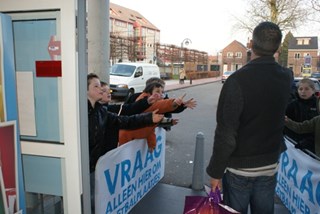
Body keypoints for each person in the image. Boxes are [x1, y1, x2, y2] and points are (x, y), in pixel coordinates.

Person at [206, 21, 293, 214]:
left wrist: (215, 172)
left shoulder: (237, 81)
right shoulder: (286, 76)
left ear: (251, 45)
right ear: (278, 48)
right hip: (270, 164)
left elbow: (226, 133)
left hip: (240, 168)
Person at [87, 73, 163, 212]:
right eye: (96, 86)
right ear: (85, 90)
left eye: (102, 86)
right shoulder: (79, 113)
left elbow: (125, 120)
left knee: (95, 199)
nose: (102, 90)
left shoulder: (101, 111)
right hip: (84, 168)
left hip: (96, 165)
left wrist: (149, 118)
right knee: (89, 200)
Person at [118, 82, 185, 151]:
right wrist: (174, 103)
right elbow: (162, 105)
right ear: (149, 93)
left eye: (162, 92)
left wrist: (169, 122)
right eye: (157, 91)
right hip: (125, 141)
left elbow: (151, 129)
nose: (161, 94)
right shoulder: (146, 102)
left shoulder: (148, 102)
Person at [99, 81, 162, 152]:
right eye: (104, 91)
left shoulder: (111, 108)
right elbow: (128, 119)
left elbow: (129, 109)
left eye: (109, 91)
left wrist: (147, 102)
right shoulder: (101, 112)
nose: (108, 93)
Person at [285, 78, 319, 153]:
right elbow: (285, 122)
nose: (303, 92)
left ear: (313, 90)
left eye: (307, 89)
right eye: (300, 89)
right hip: (295, 145)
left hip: (314, 146)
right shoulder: (292, 105)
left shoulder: (317, 105)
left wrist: (308, 142)